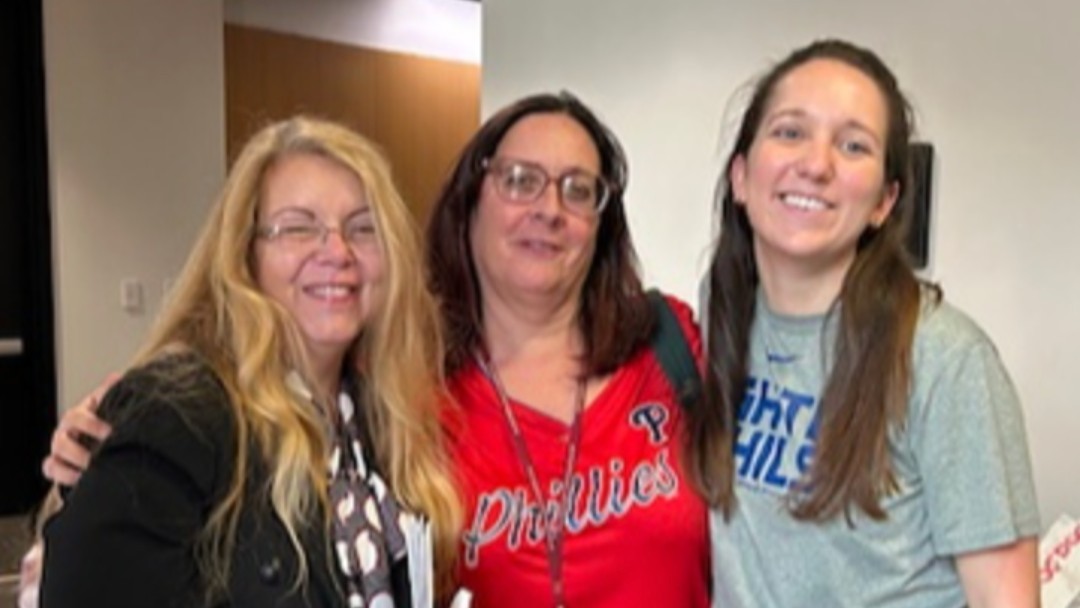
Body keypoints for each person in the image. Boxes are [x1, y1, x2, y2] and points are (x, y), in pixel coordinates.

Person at [37, 116, 461, 607]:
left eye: (363, 229)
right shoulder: (182, 412)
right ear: (245, 254)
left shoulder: (374, 422)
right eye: (299, 228)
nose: (338, 251)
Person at [688, 39, 1041, 607]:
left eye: (854, 145)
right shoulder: (724, 315)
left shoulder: (945, 358)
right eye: (789, 132)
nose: (816, 164)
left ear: (884, 201)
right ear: (740, 177)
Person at [426, 92, 709, 607]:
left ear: (601, 227)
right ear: (470, 199)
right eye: (520, 181)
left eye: (579, 191)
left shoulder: (672, 344)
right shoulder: (415, 394)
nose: (550, 210)